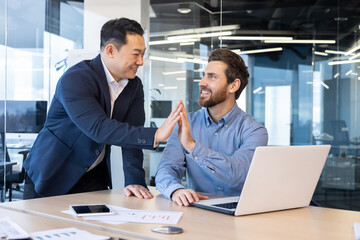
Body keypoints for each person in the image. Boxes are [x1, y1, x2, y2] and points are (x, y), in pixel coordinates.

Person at [23, 18, 182, 199]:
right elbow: (98, 127)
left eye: (142, 54)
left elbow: (133, 135)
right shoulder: (76, 79)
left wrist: (134, 181)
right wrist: (154, 135)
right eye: (135, 54)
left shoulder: (134, 85)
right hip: (51, 173)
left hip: (93, 177)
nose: (140, 62)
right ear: (110, 50)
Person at [155, 49, 268, 206]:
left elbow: (237, 173)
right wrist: (175, 190)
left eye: (212, 77)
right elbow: (166, 169)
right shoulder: (187, 124)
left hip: (240, 215)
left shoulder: (254, 131)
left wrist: (192, 146)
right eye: (203, 75)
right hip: (198, 212)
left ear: (233, 85)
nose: (202, 82)